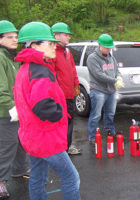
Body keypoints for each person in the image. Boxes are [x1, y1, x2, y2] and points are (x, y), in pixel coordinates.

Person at [13, 21, 81, 199]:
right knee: (70, 177)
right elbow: (42, 106)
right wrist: (60, 111)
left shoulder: (26, 68)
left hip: (32, 136)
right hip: (46, 138)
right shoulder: (39, 70)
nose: (54, 46)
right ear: (34, 45)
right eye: (49, 43)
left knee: (38, 177)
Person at [0, 20, 30, 199]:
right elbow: (1, 89)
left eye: (16, 36)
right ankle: (1, 181)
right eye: (10, 37)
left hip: (18, 110)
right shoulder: (1, 58)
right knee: (6, 146)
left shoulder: (13, 58)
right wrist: (12, 108)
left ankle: (19, 170)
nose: (14, 39)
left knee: (20, 142)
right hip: (5, 113)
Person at [87, 33, 124, 144]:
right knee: (96, 115)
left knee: (110, 113)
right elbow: (98, 75)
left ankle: (109, 131)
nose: (109, 49)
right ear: (100, 45)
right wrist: (114, 81)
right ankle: (92, 137)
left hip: (111, 91)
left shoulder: (111, 57)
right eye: (107, 47)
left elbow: (117, 70)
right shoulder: (92, 58)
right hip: (98, 91)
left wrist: (119, 77)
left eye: (110, 48)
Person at [51, 22, 81, 155]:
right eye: (66, 35)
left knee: (69, 122)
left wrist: (76, 85)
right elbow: (51, 76)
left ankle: (66, 147)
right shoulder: (52, 53)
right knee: (60, 124)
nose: (69, 37)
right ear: (55, 35)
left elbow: (73, 70)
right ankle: (61, 149)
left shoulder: (67, 52)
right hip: (59, 97)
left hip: (69, 95)